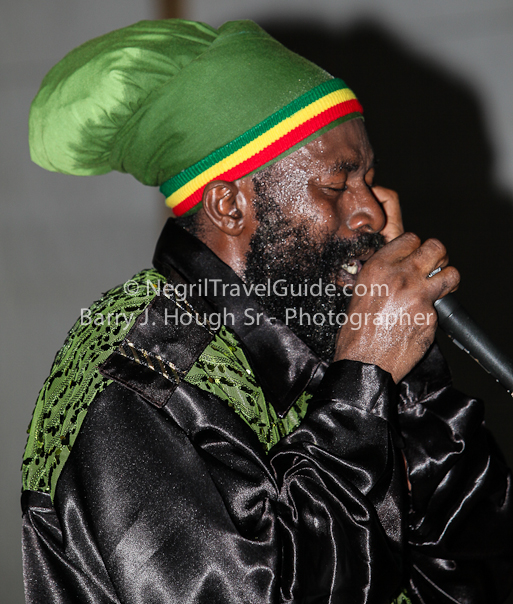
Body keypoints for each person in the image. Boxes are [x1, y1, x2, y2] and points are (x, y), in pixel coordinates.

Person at [21, 19, 513, 604]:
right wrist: (365, 382)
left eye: (370, 180)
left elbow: (471, 568)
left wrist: (408, 374)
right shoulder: (137, 380)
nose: (375, 214)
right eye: (337, 186)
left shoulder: (316, 335)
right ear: (229, 206)